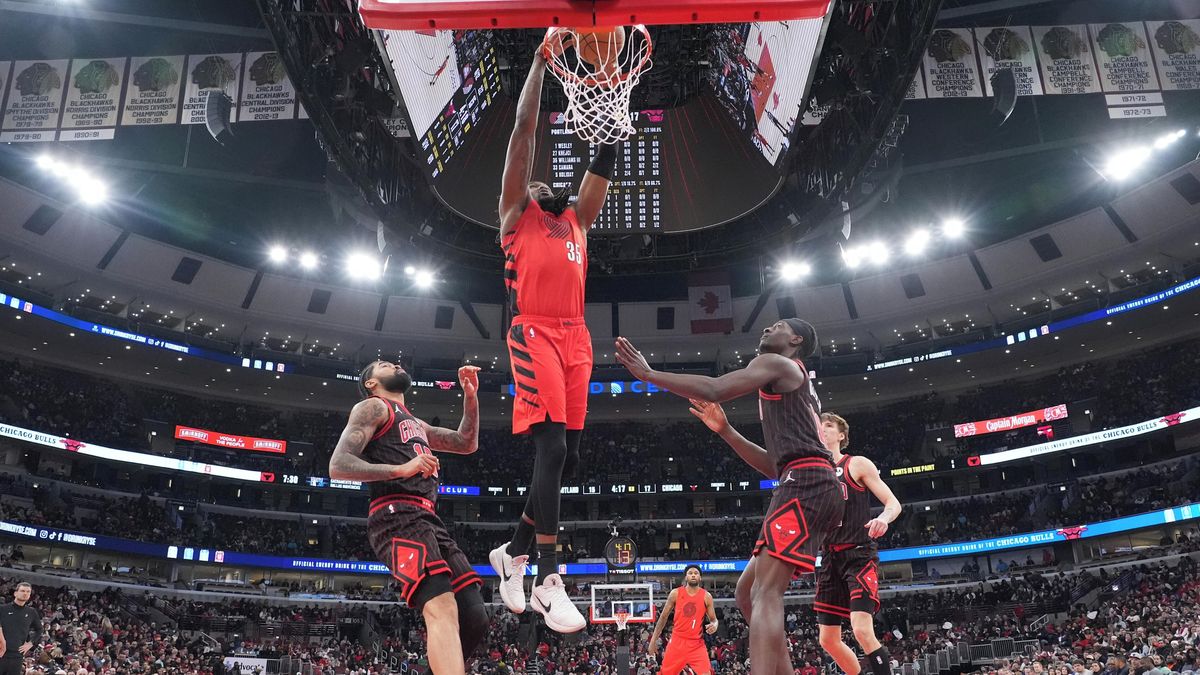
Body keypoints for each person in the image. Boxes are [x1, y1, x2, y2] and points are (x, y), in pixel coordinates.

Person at [618, 318, 840, 675]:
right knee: (746, 591)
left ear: (795, 340)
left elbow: (715, 388)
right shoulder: (793, 383)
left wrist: (649, 375)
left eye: (778, 325)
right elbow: (775, 467)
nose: (768, 328)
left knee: (765, 593)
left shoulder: (776, 363)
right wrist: (725, 430)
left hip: (806, 483)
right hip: (807, 480)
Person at [488, 40, 619, 635]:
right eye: (535, 182)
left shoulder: (578, 222)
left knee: (566, 457)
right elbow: (522, 131)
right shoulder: (517, 215)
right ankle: (546, 577)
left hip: (577, 338)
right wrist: (542, 62)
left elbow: (608, 151)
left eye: (546, 182)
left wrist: (610, 78)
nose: (542, 183)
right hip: (533, 331)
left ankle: (510, 553)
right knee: (552, 451)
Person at [329, 361, 487, 675]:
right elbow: (339, 465)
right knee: (441, 605)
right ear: (371, 383)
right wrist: (402, 469)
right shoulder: (372, 407)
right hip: (395, 515)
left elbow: (466, 442)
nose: (396, 364)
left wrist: (470, 397)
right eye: (384, 365)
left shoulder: (416, 423)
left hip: (428, 518)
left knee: (474, 614)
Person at [812, 412, 902, 675]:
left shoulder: (857, 464)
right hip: (829, 558)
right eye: (820, 427)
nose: (823, 430)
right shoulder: (813, 472)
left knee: (861, 629)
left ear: (841, 435)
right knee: (827, 639)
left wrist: (884, 519)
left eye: (829, 426)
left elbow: (893, 503)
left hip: (858, 554)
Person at [648, 565, 718, 675]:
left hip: (697, 644)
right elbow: (663, 618)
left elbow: (714, 620)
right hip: (677, 642)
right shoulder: (675, 593)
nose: (693, 575)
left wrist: (715, 625)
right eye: (690, 573)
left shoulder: (706, 596)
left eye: (696, 573)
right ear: (686, 577)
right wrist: (653, 640)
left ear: (700, 578)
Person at [0, 581, 41, 675]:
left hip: (17, 655)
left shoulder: (31, 612)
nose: (25, 593)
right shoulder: (3, 609)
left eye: (28, 592)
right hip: (1, 653)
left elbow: (39, 629)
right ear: (15, 593)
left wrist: (30, 643)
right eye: (22, 591)